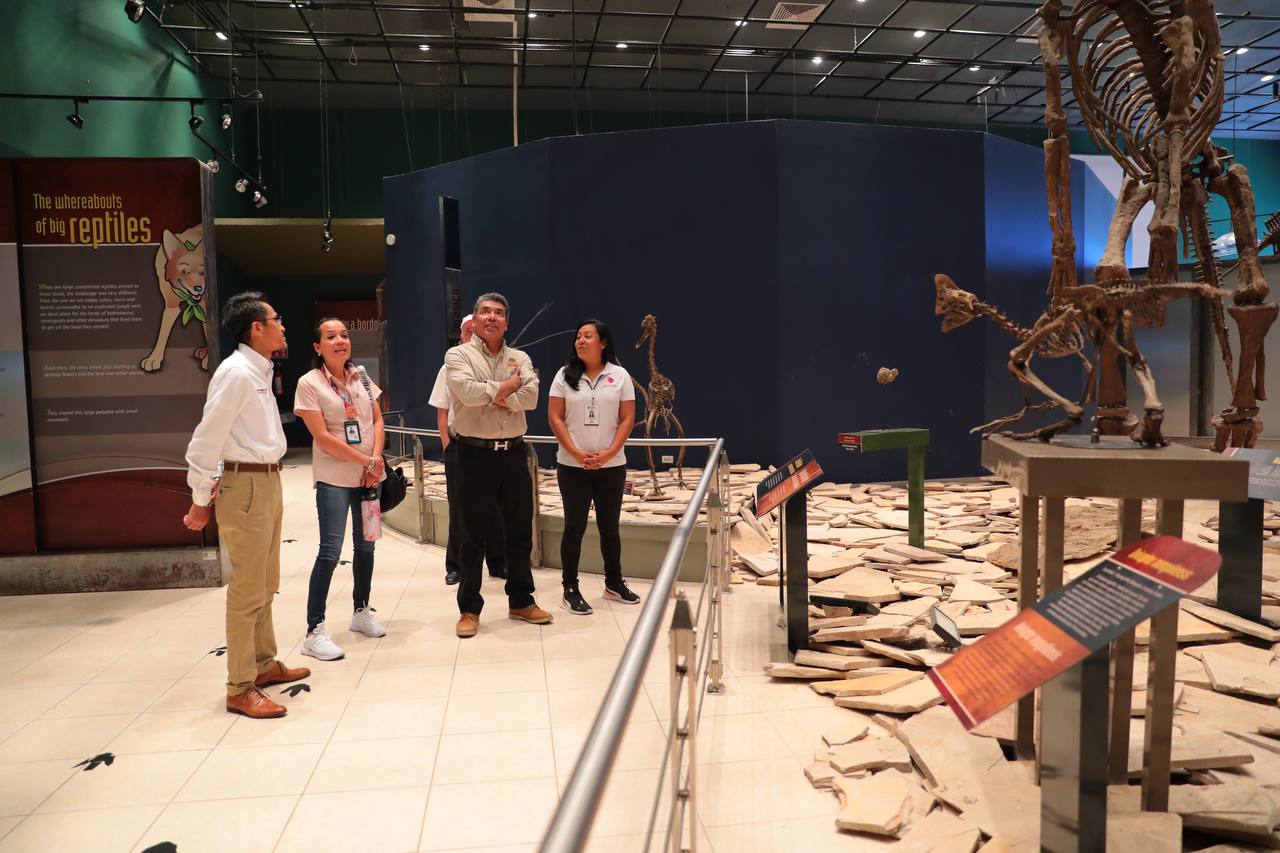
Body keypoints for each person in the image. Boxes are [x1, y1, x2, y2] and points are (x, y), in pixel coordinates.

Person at [183, 291, 309, 719]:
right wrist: (200, 498)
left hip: (267, 483)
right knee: (246, 590)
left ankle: (263, 664)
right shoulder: (236, 372)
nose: (282, 326)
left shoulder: (259, 369)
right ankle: (239, 687)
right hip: (247, 487)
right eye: (277, 319)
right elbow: (206, 438)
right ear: (257, 328)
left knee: (266, 581)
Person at [444, 292, 549, 637]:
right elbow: (467, 394)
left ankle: (521, 600)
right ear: (473, 320)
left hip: (514, 454)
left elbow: (531, 398)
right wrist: (508, 387)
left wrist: (493, 392)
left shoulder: (520, 357)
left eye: (499, 313)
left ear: (506, 321)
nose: (492, 317)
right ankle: (469, 609)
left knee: (519, 533)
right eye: (485, 312)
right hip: (473, 455)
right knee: (472, 536)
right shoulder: (457, 355)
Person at [293, 317, 388, 662]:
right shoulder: (309, 383)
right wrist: (367, 462)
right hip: (335, 479)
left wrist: (375, 461)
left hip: (368, 478)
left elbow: (377, 419)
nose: (340, 341)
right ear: (318, 347)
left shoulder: (361, 375)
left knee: (366, 549)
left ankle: (361, 611)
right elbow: (322, 437)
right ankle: (313, 630)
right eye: (331, 336)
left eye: (344, 335)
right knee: (330, 552)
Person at [548, 320, 641, 614]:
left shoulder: (620, 375)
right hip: (571, 465)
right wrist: (576, 453)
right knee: (573, 527)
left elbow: (627, 418)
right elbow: (555, 417)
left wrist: (610, 452)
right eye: (578, 336)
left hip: (611, 465)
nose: (580, 341)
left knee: (609, 528)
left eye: (587, 336)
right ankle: (570, 588)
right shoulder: (564, 376)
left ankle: (613, 583)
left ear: (603, 343)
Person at [429, 313, 507, 586]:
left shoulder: (499, 365)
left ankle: (498, 562)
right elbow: (443, 409)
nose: (473, 336)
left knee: (497, 507)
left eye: (477, 331)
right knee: (459, 508)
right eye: (467, 331)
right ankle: (456, 566)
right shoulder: (449, 367)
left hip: (492, 446)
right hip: (460, 446)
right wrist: (448, 445)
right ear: (461, 335)